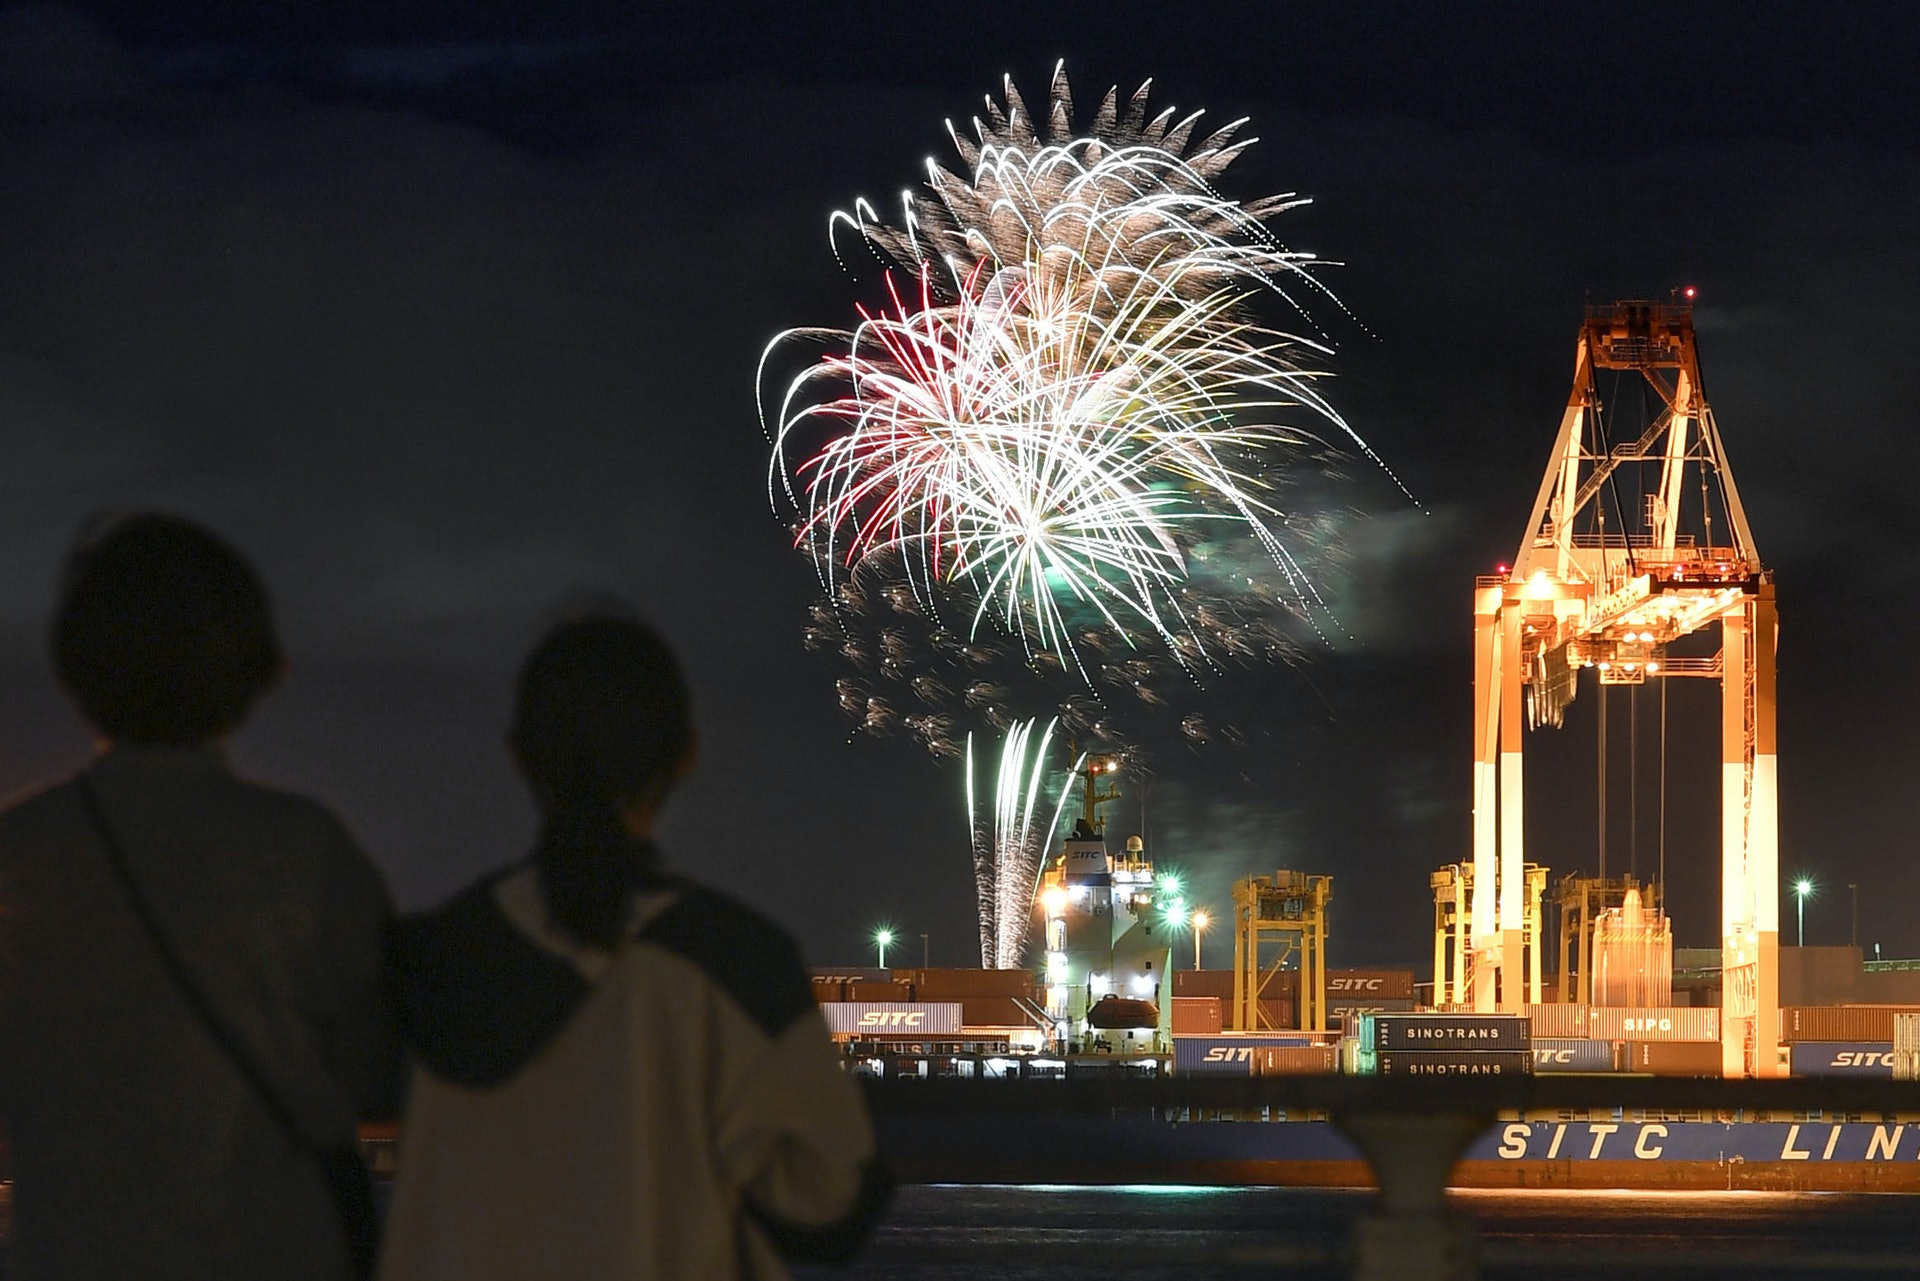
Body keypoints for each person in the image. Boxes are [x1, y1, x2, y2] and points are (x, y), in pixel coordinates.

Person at [381, 611, 886, 1280]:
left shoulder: (425, 956)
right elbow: (831, 1199)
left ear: (517, 755)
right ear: (686, 755)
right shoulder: (733, 963)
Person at [0, 512, 401, 1279]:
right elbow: (373, 1066)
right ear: (252, 668)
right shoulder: (303, 851)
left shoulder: (17, 857)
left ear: (77, 667)